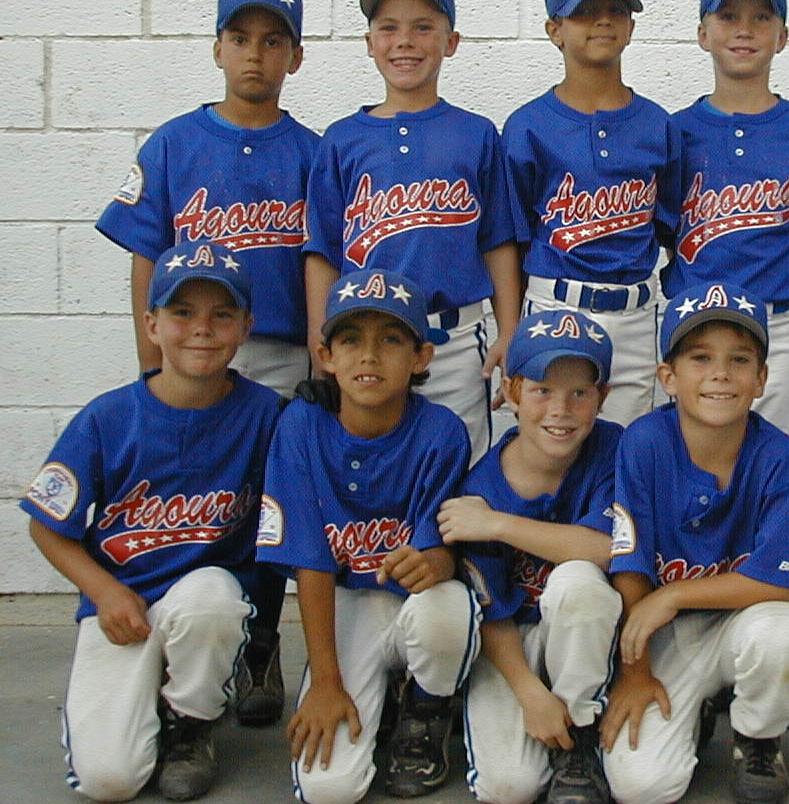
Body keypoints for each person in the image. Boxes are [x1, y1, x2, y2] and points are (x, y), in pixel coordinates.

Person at [96, 0, 315, 725]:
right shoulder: (174, 144)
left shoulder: (312, 153)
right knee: (192, 497)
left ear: (295, 56)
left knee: (268, 506)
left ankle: (259, 645)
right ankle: (184, 644)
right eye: (240, 38)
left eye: (273, 41)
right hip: (187, 355)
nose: (255, 54)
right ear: (217, 48)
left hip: (279, 353)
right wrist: (149, 358)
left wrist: (318, 359)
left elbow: (323, 262)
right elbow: (143, 254)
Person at [22, 242, 281, 802]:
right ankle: (152, 697)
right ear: (151, 324)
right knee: (110, 781)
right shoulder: (107, 417)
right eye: (182, 312)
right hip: (125, 604)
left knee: (212, 600)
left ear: (245, 328)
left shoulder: (266, 413)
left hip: (205, 601)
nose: (202, 329)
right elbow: (46, 524)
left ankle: (192, 723)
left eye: (222, 314)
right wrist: (104, 591)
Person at [257, 268, 480, 803]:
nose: (369, 356)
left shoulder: (443, 430)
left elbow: (440, 552)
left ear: (422, 357)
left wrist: (436, 563)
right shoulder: (301, 425)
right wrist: (326, 683)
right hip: (344, 604)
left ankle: (424, 714)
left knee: (449, 607)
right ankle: (378, 697)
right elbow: (310, 561)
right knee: (329, 789)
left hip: (412, 604)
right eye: (351, 340)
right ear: (326, 356)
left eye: (391, 340)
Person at [602, 282, 789, 804]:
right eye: (700, 358)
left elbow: (776, 583)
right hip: (666, 637)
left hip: (740, 622)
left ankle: (758, 737)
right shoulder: (644, 442)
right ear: (668, 377)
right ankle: (696, 708)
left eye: (739, 359)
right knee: (642, 788)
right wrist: (635, 674)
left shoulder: (777, 454)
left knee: (783, 632)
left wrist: (673, 593)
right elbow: (629, 559)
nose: (720, 373)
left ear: (761, 378)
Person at [303, 0, 521, 459]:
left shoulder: (476, 133)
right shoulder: (342, 139)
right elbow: (322, 252)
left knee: (460, 465)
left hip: (454, 338)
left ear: (451, 41)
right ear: (369, 43)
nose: (405, 41)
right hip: (367, 341)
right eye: (389, 28)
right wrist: (321, 342)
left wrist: (509, 331)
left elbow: (498, 241)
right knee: (376, 464)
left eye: (423, 27)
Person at [439, 309, 621, 804]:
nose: (560, 409)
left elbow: (607, 549)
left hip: (585, 638)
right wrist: (530, 693)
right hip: (510, 643)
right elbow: (490, 609)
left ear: (602, 397)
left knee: (579, 581)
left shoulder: (613, 449)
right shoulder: (480, 485)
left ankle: (580, 735)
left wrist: (499, 524)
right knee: (509, 788)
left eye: (580, 392)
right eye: (542, 390)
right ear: (512, 391)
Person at [665, 0, 789, 438]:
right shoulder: (674, 132)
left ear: (782, 36)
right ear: (703, 34)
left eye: (761, 17)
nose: (744, 30)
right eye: (728, 17)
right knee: (692, 455)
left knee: (773, 455)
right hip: (694, 324)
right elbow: (661, 233)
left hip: (776, 325)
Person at [505, 0, 681, 426]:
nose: (602, 21)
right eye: (584, 11)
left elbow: (669, 229)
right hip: (555, 303)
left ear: (631, 27)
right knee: (554, 442)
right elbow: (515, 239)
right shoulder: (527, 126)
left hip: (635, 314)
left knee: (627, 443)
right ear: (554, 30)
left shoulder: (658, 124)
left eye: (615, 10)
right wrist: (511, 329)